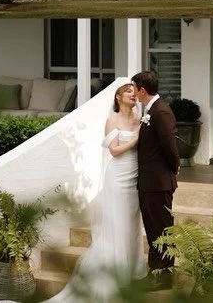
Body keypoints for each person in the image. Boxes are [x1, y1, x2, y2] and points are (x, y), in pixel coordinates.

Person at [50, 82, 146, 301]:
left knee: (132, 224)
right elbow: (114, 150)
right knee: (118, 224)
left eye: (134, 92)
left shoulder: (140, 118)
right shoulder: (112, 120)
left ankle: (131, 270)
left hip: (136, 178)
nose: (133, 95)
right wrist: (137, 140)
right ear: (118, 98)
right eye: (128, 92)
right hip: (118, 176)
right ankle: (115, 273)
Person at [131, 70, 180, 291]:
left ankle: (163, 275)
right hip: (149, 182)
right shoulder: (150, 110)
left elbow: (170, 147)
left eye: (135, 89)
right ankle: (156, 272)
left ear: (142, 90)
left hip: (158, 183)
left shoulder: (161, 112)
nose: (133, 93)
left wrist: (172, 170)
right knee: (153, 230)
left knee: (161, 230)